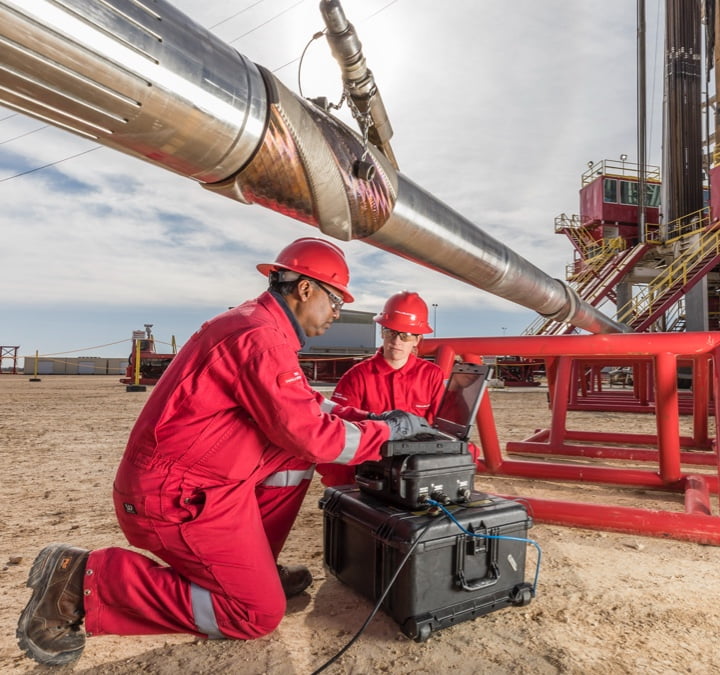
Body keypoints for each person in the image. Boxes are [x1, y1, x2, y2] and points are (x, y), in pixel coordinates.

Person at [16, 237, 432, 667]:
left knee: (291, 459)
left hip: (195, 479)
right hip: (176, 499)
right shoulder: (259, 337)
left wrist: (373, 419)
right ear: (305, 289)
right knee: (256, 614)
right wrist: (385, 433)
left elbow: (305, 408)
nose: (336, 314)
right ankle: (81, 581)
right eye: (335, 300)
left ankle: (253, 568)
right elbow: (312, 434)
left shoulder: (256, 326)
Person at [316, 290, 446, 487]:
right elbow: (338, 432)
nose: (396, 341)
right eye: (391, 332)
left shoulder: (432, 376)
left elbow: (444, 430)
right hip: (369, 476)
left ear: (417, 340)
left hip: (416, 474)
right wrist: (345, 489)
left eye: (406, 335)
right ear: (382, 332)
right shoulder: (357, 377)